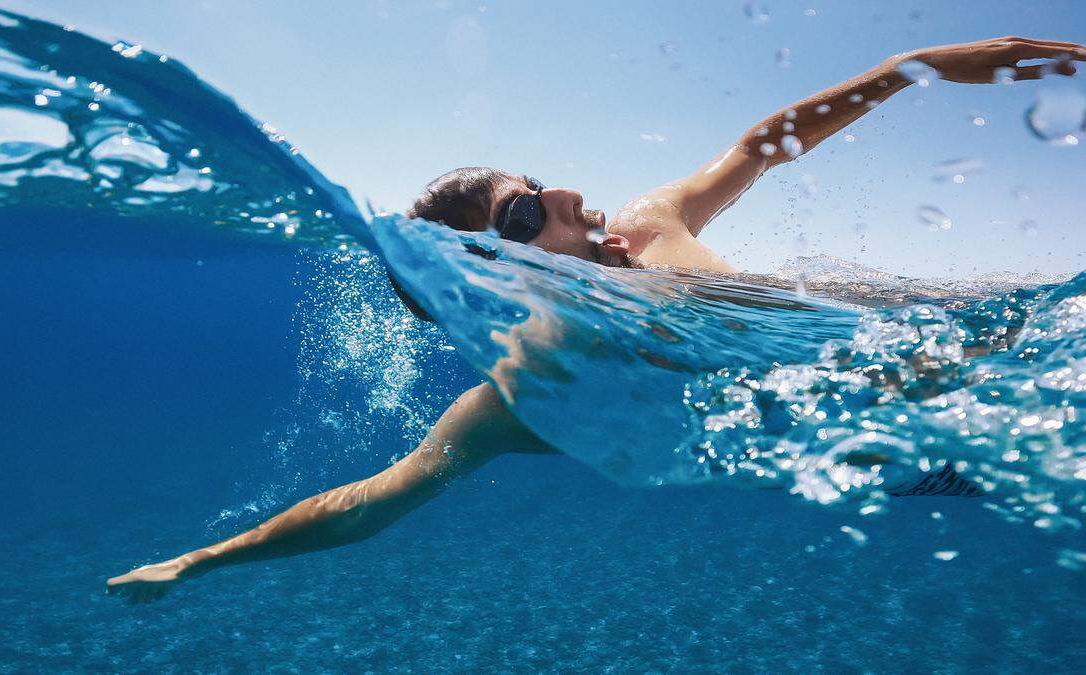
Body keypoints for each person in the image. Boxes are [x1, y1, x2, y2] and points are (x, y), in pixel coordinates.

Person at [107, 37, 1084, 602]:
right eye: (525, 216)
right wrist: (200, 560)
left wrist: (913, 66)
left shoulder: (655, 227)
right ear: (497, 280)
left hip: (991, 348)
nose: (569, 195)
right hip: (943, 453)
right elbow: (367, 502)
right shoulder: (519, 399)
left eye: (536, 187)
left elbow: (761, 143)